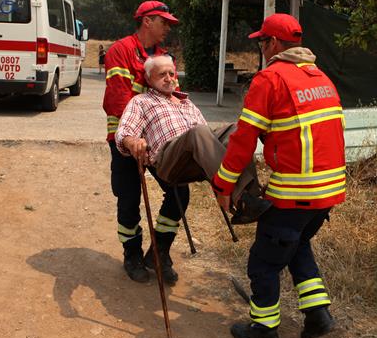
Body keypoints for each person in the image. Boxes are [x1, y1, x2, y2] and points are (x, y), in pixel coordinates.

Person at [212, 13, 347, 338]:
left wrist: (223, 186)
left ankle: (264, 330)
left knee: (263, 262)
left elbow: (244, 140)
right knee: (298, 245)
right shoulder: (320, 76)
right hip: (329, 192)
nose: (260, 47)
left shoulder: (269, 79)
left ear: (273, 44)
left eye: (262, 42)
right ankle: (318, 314)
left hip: (295, 193)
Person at [115, 55, 270, 283]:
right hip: (169, 160)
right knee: (198, 133)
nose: (169, 78)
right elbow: (123, 131)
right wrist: (132, 142)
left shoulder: (187, 102)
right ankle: (241, 199)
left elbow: (207, 135)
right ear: (149, 79)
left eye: (171, 73)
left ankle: (249, 194)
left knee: (237, 130)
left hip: (195, 158)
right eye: (162, 74)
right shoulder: (142, 102)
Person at [102, 0, 180, 284]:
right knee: (129, 200)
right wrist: (134, 138)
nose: (168, 28)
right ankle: (132, 255)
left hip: (158, 143)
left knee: (180, 193)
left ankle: (159, 253)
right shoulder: (120, 51)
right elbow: (119, 99)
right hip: (126, 141)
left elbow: (173, 95)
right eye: (164, 22)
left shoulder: (164, 57)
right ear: (147, 20)